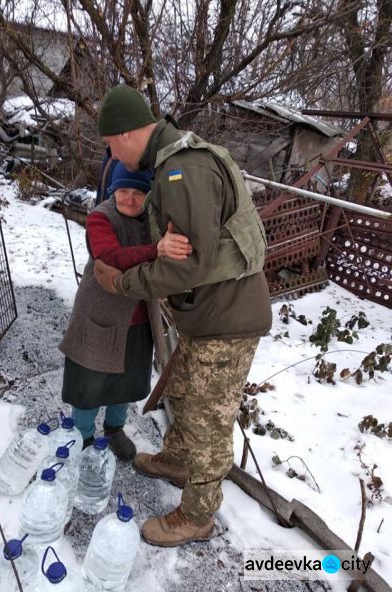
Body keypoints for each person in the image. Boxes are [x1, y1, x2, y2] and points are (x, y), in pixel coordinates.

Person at [93, 85, 273, 546]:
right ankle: (176, 460)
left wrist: (122, 283)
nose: (110, 153)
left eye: (110, 144)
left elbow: (186, 265)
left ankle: (198, 516)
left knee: (210, 421)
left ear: (128, 133)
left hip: (227, 320)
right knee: (187, 395)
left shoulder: (180, 170)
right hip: (209, 314)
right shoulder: (171, 160)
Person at [59, 160, 192, 461]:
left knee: (126, 381)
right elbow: (110, 256)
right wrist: (156, 250)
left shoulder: (152, 219)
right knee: (89, 382)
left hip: (138, 317)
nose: (129, 198)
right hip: (100, 315)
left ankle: (114, 429)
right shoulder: (100, 218)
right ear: (112, 189)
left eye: (138, 192)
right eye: (123, 190)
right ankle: (83, 435)